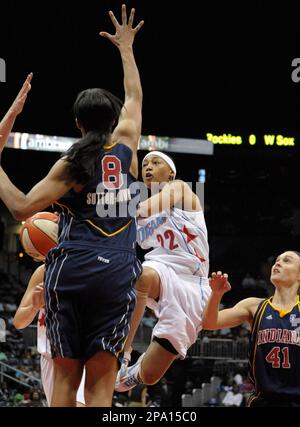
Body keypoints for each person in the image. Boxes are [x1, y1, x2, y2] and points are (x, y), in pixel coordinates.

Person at [0, 4, 144, 407]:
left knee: (65, 382)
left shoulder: (72, 162)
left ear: (78, 124)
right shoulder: (128, 144)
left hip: (73, 269)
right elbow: (134, 94)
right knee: (100, 384)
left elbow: (20, 207)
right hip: (117, 269)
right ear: (115, 118)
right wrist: (126, 47)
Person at [115, 151, 211, 391]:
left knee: (151, 375)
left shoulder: (179, 189)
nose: (148, 167)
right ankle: (124, 350)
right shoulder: (141, 217)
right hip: (161, 270)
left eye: (156, 163)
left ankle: (132, 375)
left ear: (170, 172)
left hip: (193, 283)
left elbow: (147, 207)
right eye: (145, 163)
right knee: (142, 275)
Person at [202, 250, 300, 407]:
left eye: (287, 260)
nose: (278, 263)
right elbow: (210, 323)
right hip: (262, 400)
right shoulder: (254, 306)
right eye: (277, 260)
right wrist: (216, 294)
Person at [13, 262, 85, 407]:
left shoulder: (92, 266)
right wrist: (35, 306)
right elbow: (19, 322)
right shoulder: (44, 270)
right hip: (49, 356)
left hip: (82, 353)